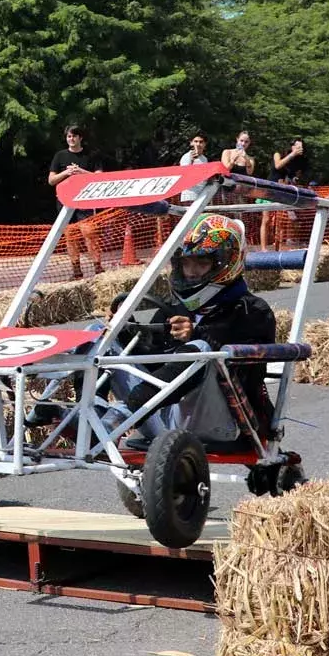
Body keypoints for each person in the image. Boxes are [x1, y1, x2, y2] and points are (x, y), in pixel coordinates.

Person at [117, 214, 276, 449]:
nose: (191, 272)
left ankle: (121, 414)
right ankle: (90, 420)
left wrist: (197, 336)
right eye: (186, 263)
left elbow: (248, 371)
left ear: (225, 264)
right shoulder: (174, 307)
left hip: (229, 424)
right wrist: (123, 331)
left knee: (201, 351)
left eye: (201, 264)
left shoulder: (252, 310)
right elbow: (153, 363)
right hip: (164, 417)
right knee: (101, 334)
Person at [47, 125, 105, 278]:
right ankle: (76, 270)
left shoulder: (92, 155)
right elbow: (51, 180)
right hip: (65, 202)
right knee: (71, 236)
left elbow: (100, 178)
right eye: (68, 136)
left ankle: (98, 267)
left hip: (85, 201)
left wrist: (81, 172)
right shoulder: (60, 156)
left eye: (74, 136)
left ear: (80, 138)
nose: (71, 139)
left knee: (90, 233)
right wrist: (66, 172)